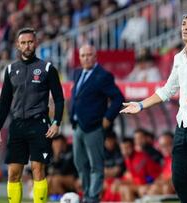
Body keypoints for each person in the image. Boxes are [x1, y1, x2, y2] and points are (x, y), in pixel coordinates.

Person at [120, 11, 187, 203]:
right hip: (183, 123)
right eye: (183, 24)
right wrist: (140, 104)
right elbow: (167, 90)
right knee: (178, 179)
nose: (185, 27)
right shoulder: (178, 58)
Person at [0, 27, 64, 203]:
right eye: (23, 43)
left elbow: (59, 99)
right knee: (13, 173)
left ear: (36, 43)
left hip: (39, 125)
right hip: (17, 125)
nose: (27, 46)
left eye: (30, 42)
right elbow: (4, 101)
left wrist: (56, 122)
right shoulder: (10, 70)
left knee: (38, 170)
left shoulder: (47, 68)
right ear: (17, 45)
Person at [69, 44, 124, 203]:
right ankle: (86, 194)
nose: (86, 58)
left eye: (89, 55)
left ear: (95, 56)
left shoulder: (103, 75)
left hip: (94, 126)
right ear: (79, 58)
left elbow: (118, 98)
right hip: (77, 125)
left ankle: (93, 198)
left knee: (96, 165)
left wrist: (108, 118)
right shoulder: (77, 73)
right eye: (83, 55)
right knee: (79, 163)